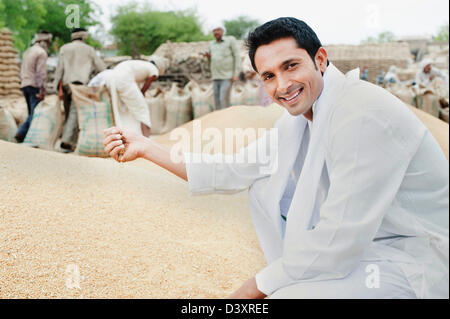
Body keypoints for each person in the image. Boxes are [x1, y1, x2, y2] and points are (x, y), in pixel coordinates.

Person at [104, 17, 449, 299]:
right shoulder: (297, 123)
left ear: (320, 59)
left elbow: (340, 237)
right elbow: (230, 170)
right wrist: (147, 148)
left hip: (416, 258)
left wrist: (257, 286)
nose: (282, 85)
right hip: (369, 250)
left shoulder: (360, 113)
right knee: (266, 179)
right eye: (268, 76)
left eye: (291, 66)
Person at [53, 27, 106, 152]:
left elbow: (59, 69)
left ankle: (71, 141)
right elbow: (101, 67)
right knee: (75, 114)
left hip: (66, 84)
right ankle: (66, 141)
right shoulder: (88, 49)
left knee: (68, 112)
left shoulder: (64, 48)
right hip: (79, 85)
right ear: (83, 37)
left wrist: (57, 87)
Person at [105, 56, 169, 137]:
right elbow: (146, 85)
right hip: (124, 79)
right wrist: (142, 95)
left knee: (124, 110)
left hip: (113, 78)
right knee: (142, 110)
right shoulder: (154, 70)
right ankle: (146, 138)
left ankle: (127, 135)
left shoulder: (143, 65)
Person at [15, 31, 52, 143]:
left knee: (31, 112)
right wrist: (42, 91)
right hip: (34, 85)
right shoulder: (41, 53)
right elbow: (41, 73)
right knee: (35, 113)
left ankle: (24, 135)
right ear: (45, 41)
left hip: (25, 84)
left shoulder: (28, 51)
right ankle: (21, 133)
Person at [205, 24, 241, 110]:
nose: (216, 32)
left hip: (227, 76)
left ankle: (226, 120)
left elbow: (237, 56)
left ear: (223, 31)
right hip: (215, 76)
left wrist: (236, 74)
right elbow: (210, 61)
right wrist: (208, 58)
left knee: (223, 99)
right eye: (214, 31)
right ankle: (219, 120)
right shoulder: (211, 44)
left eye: (218, 30)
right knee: (217, 101)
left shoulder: (230, 40)